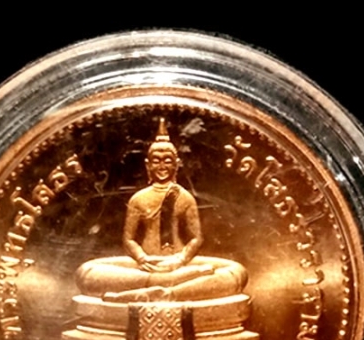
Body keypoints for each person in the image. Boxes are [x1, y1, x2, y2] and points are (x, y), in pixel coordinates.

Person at [76, 119, 248, 302]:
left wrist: (180, 259)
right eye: (156, 161)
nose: (162, 166)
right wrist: (142, 258)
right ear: (148, 164)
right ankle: (173, 287)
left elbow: (196, 238)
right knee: (86, 272)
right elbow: (129, 239)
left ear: (177, 164)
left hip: (179, 264)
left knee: (237, 271)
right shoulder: (139, 199)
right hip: (146, 267)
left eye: (167, 161)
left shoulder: (185, 197)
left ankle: (158, 291)